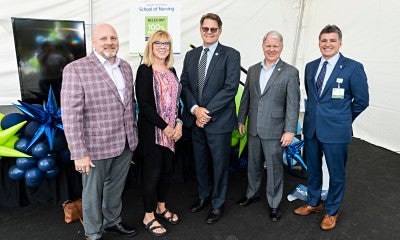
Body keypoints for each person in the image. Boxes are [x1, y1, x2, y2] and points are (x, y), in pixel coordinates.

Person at [61, 23, 138, 240]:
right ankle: (93, 233)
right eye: (103, 38)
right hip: (94, 147)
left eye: (113, 38)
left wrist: (132, 134)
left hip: (125, 142)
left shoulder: (125, 67)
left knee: (115, 188)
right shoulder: (76, 69)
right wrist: (79, 152)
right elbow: (70, 114)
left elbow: (129, 105)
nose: (109, 42)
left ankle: (112, 222)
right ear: (93, 42)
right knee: (92, 194)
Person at [294, 25, 369, 230]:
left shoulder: (353, 67)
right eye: (324, 41)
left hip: (336, 131)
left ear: (340, 43)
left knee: (336, 174)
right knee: (313, 169)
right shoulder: (310, 67)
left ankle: (332, 211)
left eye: (332, 41)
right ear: (319, 43)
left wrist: (343, 119)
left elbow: (362, 100)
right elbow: (313, 98)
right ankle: (314, 202)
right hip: (312, 129)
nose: (327, 44)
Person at [180, 13, 241, 224]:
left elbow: (230, 88)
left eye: (213, 29)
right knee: (201, 163)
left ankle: (217, 204)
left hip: (218, 121)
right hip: (196, 120)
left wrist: (206, 113)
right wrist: (195, 109)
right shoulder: (191, 56)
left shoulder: (231, 55)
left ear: (219, 31)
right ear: (200, 30)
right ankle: (203, 196)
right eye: (205, 28)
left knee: (220, 165)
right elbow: (184, 85)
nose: (208, 32)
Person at [236, 31, 300, 222]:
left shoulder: (290, 72)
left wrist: (289, 130)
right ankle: (252, 194)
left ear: (281, 48)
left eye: (275, 46)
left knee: (274, 168)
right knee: (253, 164)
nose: (271, 49)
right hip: (254, 127)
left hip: (275, 130)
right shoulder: (253, 69)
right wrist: (241, 120)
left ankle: (274, 204)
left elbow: (293, 104)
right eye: (268, 46)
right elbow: (246, 97)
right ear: (262, 46)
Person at [135, 30, 182, 237]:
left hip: (172, 134)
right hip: (153, 133)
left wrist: (178, 124)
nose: (163, 47)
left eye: (166, 43)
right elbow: (144, 106)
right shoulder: (144, 70)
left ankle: (161, 207)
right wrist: (166, 127)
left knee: (166, 173)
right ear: (151, 46)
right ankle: (148, 215)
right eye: (158, 43)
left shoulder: (172, 69)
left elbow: (177, 102)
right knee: (152, 175)